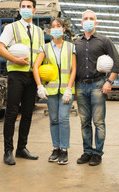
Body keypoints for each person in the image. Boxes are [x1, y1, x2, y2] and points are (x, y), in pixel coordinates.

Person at [0, 0, 44, 165]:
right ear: (19, 10)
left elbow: (40, 53)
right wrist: (14, 59)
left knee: (28, 114)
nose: (25, 9)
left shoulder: (39, 31)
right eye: (23, 6)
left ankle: (21, 148)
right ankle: (8, 150)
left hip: (32, 76)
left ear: (34, 10)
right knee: (11, 112)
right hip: (16, 75)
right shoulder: (12, 27)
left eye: (29, 6)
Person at [75, 10, 119, 166]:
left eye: (91, 18)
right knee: (84, 122)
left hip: (98, 84)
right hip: (80, 86)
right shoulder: (76, 43)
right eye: (85, 18)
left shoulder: (104, 41)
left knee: (99, 122)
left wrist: (109, 81)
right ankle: (87, 151)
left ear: (96, 22)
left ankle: (97, 153)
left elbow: (117, 62)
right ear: (81, 23)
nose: (88, 21)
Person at [33, 18, 76, 165]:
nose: (56, 28)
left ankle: (64, 150)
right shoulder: (44, 48)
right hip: (51, 90)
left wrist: (69, 89)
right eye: (53, 27)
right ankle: (56, 148)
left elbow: (73, 69)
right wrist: (40, 86)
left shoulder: (71, 47)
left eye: (59, 26)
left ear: (64, 29)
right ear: (50, 31)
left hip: (66, 90)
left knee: (63, 119)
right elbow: (35, 67)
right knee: (53, 120)